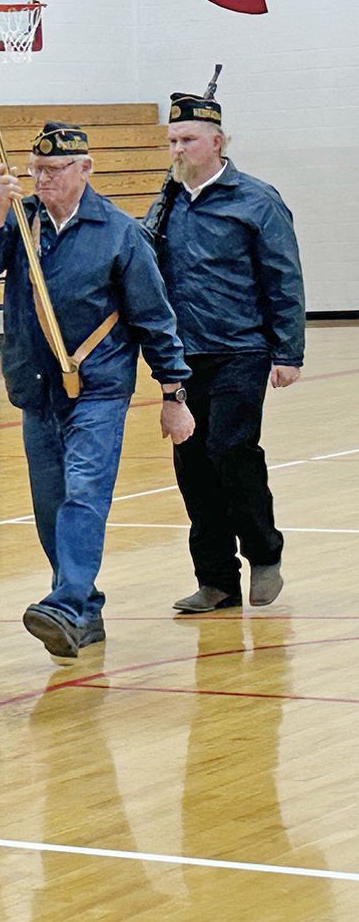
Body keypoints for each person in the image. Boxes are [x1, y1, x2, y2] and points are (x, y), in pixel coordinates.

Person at [0, 121, 195, 660]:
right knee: (49, 505)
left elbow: (154, 318)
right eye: (36, 170)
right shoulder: (21, 225)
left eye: (55, 170)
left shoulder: (118, 233)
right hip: (35, 387)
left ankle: (65, 601)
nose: (43, 179)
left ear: (85, 169)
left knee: (82, 494)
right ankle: (84, 611)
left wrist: (173, 392)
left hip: (98, 387)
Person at [150, 91, 305, 614]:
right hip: (181, 355)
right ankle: (216, 580)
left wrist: (289, 350)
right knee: (192, 464)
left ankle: (264, 553)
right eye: (172, 140)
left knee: (230, 451)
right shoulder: (167, 201)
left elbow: (284, 278)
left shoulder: (256, 200)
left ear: (217, 142)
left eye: (188, 140)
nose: (178, 149)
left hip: (241, 347)